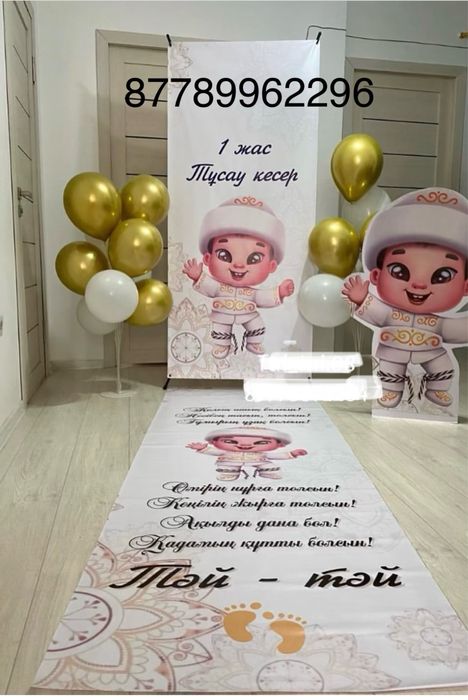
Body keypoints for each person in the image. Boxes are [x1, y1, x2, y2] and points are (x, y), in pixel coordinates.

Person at [342, 188, 468, 409]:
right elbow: (377, 313)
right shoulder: (389, 313)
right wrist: (362, 299)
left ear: (465, 287)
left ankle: (437, 388)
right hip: (393, 350)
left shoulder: (439, 323)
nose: (419, 285)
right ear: (376, 276)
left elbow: (454, 330)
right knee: (389, 370)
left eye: (442, 276)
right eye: (399, 271)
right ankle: (390, 391)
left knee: (443, 367)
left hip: (432, 351)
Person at [182, 195, 294, 359]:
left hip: (248, 313)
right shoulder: (218, 287)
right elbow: (208, 286)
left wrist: (280, 292)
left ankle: (254, 342)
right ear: (207, 258)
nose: (239, 265)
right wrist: (197, 276)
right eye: (224, 255)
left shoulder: (253, 294)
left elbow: (263, 297)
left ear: (271, 266)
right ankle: (222, 345)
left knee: (257, 325)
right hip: (222, 313)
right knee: (220, 328)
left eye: (254, 258)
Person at [186, 427, 307, 481]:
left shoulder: (261, 453)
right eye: (230, 441)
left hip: (259, 460)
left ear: (280, 444)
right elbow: (214, 451)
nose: (245, 446)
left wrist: (292, 454)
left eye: (261, 442)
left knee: (269, 465)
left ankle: (269, 473)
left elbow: (275, 456)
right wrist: (203, 448)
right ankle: (228, 475)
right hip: (230, 461)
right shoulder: (227, 452)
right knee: (227, 468)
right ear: (214, 442)